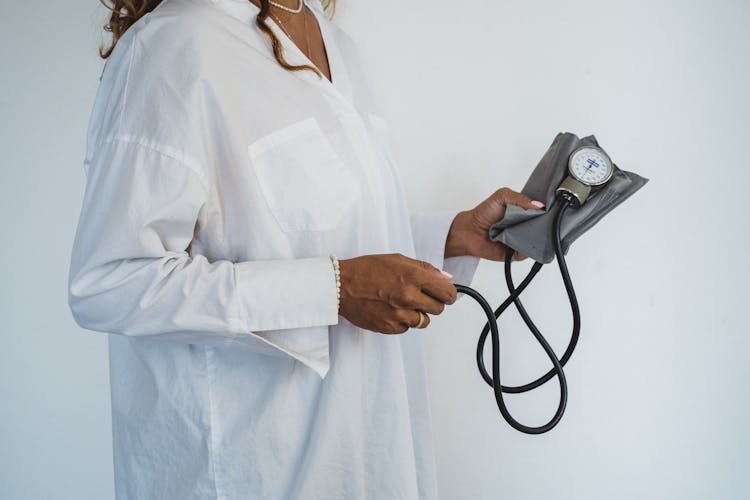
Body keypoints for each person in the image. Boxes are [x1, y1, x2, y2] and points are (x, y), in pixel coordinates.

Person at [67, 0, 545, 498]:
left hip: (366, 450)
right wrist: (334, 289)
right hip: (248, 469)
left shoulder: (334, 43)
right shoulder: (170, 46)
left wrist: (453, 235)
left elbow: (328, 232)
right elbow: (110, 281)